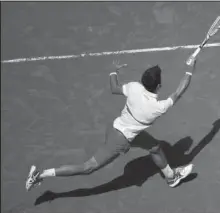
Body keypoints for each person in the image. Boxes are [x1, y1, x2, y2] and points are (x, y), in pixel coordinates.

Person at [26, 58, 197, 191]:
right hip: (121, 139)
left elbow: (114, 88)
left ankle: (171, 177)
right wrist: (190, 69)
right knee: (88, 167)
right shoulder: (158, 107)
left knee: (155, 148)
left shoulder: (134, 87)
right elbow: (179, 91)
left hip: (117, 127)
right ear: (159, 86)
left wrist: (113, 71)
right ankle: (40, 174)